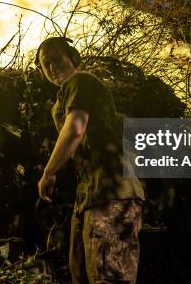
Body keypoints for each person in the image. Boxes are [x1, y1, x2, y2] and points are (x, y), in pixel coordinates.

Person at [35, 37, 145, 284]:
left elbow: (75, 129)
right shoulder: (67, 94)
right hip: (91, 196)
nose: (52, 67)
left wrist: (49, 173)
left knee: (109, 278)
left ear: (72, 57)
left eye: (56, 59)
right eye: (46, 64)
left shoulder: (81, 81)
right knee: (83, 274)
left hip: (111, 194)